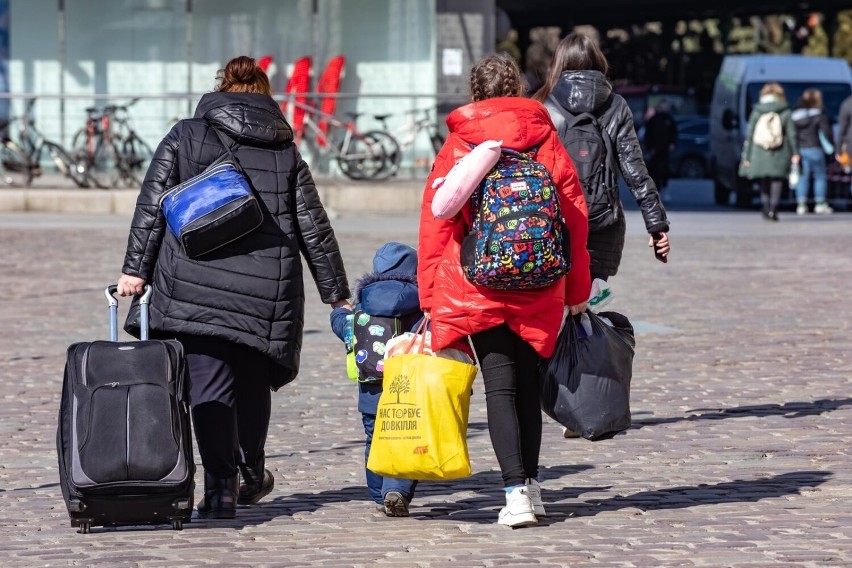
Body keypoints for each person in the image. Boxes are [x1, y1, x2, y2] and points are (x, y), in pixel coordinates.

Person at [116, 56, 351, 520]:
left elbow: (152, 206)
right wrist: (336, 293)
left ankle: (221, 488)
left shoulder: (185, 134)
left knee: (208, 387)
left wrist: (135, 271)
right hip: (265, 290)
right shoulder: (284, 149)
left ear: (221, 88)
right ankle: (251, 469)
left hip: (193, 282)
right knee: (252, 383)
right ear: (266, 94)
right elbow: (313, 228)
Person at [418, 53, 592, 528]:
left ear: (474, 93)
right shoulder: (545, 137)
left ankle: (514, 493)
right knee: (528, 385)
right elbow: (574, 216)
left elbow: (436, 224)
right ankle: (532, 490)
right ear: (516, 89)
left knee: (500, 386)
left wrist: (430, 295)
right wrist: (578, 287)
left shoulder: (459, 142)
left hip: (479, 282)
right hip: (540, 281)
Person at [533, 32, 670, 283]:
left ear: (559, 64)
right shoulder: (616, 105)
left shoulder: (541, 105)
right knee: (592, 303)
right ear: (599, 62)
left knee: (554, 310)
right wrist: (656, 224)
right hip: (603, 225)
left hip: (554, 224)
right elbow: (635, 169)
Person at [329, 242, 422, 517]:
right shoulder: (418, 302)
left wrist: (338, 312)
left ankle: (377, 492)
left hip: (370, 390)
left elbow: (344, 328)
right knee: (405, 436)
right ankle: (396, 490)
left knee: (373, 438)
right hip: (408, 389)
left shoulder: (364, 302)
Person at [739, 82, 799, 221]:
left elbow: (750, 135)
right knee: (776, 180)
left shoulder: (757, 111)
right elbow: (791, 135)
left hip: (759, 152)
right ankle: (774, 208)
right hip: (780, 151)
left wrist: (747, 156)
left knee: (764, 181)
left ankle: (765, 207)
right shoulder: (785, 111)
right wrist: (795, 152)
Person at [792, 89, 834, 215]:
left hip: (800, 149)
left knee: (802, 177)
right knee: (820, 176)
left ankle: (801, 204)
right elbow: (826, 132)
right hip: (815, 148)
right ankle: (820, 204)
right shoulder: (819, 116)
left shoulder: (795, 116)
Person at [643, 99, 679, 199]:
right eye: (663, 105)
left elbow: (674, 133)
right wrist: (650, 147)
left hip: (665, 150)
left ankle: (664, 189)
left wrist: (672, 143)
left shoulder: (669, 119)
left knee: (665, 169)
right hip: (655, 149)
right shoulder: (653, 119)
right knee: (654, 170)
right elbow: (648, 135)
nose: (665, 107)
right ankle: (654, 190)